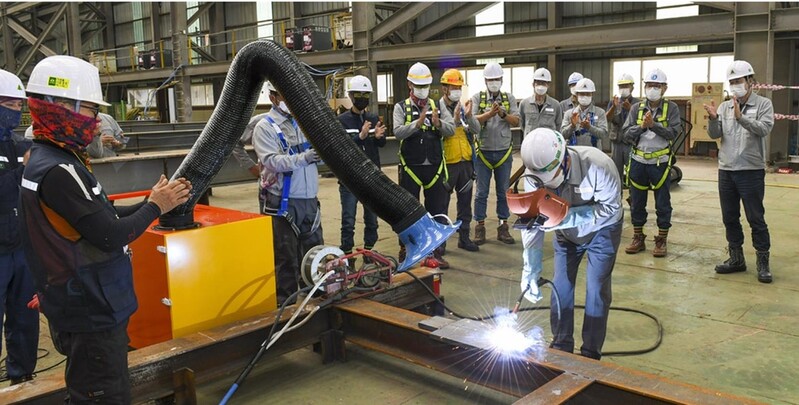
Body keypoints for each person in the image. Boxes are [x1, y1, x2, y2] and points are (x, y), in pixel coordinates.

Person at [19, 55, 191, 403]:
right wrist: (157, 206)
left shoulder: (51, 159)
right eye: (90, 111)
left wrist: (153, 200)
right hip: (90, 308)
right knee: (102, 394)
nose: (97, 123)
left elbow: (102, 215)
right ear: (61, 107)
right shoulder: (60, 170)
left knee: (89, 388)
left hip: (78, 300)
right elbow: (111, 235)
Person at [518, 128, 623, 360]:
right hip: (565, 234)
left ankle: (590, 353)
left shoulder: (599, 166)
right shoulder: (534, 176)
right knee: (561, 286)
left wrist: (569, 217)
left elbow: (611, 208)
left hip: (603, 230)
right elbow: (532, 222)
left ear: (564, 158)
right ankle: (562, 345)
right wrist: (531, 265)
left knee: (596, 289)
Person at [253, 82, 324, 301]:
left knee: (314, 255)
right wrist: (304, 158)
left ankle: (316, 300)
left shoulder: (304, 123)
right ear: (273, 97)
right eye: (285, 95)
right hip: (282, 202)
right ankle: (286, 305)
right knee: (286, 259)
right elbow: (271, 161)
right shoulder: (264, 127)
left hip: (309, 200)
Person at [705, 60, 774, 283]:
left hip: (750, 171)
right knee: (730, 217)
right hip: (726, 170)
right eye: (732, 82)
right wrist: (714, 118)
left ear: (750, 81)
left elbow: (764, 129)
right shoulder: (725, 106)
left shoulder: (763, 104)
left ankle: (763, 262)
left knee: (756, 217)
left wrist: (741, 118)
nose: (735, 85)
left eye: (739, 81)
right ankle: (736, 259)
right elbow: (715, 135)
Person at [393, 62, 454, 268]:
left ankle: (435, 251)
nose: (423, 90)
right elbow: (397, 132)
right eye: (419, 86)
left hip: (434, 168)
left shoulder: (439, 106)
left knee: (437, 211)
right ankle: (406, 249)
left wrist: (438, 124)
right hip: (411, 168)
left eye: (426, 85)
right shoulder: (400, 107)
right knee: (407, 211)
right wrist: (417, 124)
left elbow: (451, 130)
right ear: (410, 85)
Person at [0, 69, 38, 385]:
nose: (16, 112)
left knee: (25, 318)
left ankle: (22, 377)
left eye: (18, 106)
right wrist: (21, 170)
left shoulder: (17, 143)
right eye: (10, 105)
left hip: (22, 250)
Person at [622, 68, 681, 257]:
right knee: (637, 202)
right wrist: (641, 127)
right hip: (638, 161)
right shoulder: (636, 108)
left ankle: (661, 239)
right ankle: (638, 237)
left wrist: (653, 126)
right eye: (649, 85)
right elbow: (625, 134)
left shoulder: (671, 108)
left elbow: (673, 133)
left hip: (660, 163)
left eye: (657, 86)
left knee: (662, 202)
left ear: (664, 88)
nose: (652, 89)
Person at [338, 75, 387, 261]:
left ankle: (368, 251)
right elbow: (342, 147)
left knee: (372, 220)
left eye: (365, 94)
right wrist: (361, 136)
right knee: (348, 220)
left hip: (371, 179)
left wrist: (379, 137)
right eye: (358, 94)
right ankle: (348, 256)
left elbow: (380, 145)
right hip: (350, 180)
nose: (362, 97)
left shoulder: (373, 118)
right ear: (350, 95)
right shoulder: (342, 120)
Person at [471, 62, 519, 245]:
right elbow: (472, 120)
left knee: (502, 192)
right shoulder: (478, 98)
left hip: (503, 154)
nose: (493, 82)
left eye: (496, 79)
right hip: (483, 153)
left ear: (502, 80)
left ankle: (503, 227)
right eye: (490, 80)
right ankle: (480, 227)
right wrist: (489, 114)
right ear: (485, 80)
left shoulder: (509, 98)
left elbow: (516, 121)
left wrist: (503, 115)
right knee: (481, 192)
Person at [439, 69, 479, 252]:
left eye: (459, 87)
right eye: (453, 87)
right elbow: (447, 130)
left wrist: (469, 116)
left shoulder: (462, 108)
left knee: (465, 203)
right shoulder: (438, 108)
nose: (456, 90)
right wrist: (455, 120)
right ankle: (441, 244)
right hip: (448, 163)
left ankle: (464, 237)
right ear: (444, 88)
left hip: (466, 161)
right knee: (442, 205)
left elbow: (476, 129)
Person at [607, 73, 639, 182]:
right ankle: (617, 196)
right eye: (621, 86)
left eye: (626, 86)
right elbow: (608, 118)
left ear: (632, 87)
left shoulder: (638, 103)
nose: (623, 89)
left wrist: (631, 109)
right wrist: (613, 107)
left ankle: (633, 197)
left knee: (633, 172)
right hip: (617, 142)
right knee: (616, 171)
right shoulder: (613, 102)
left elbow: (641, 121)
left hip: (631, 142)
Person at [560, 78, 608, 149]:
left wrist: (589, 127)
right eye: (582, 94)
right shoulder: (569, 113)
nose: (585, 96)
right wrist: (572, 126)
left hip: (594, 153)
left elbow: (604, 134)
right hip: (574, 153)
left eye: (588, 94)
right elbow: (562, 135)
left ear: (592, 94)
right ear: (577, 95)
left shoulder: (600, 112)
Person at [519, 67, 562, 137]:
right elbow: (522, 124)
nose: (541, 86)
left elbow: (558, 125)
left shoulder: (555, 105)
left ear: (548, 85)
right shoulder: (524, 104)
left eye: (544, 83)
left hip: (549, 143)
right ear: (533, 84)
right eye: (538, 83)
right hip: (530, 142)